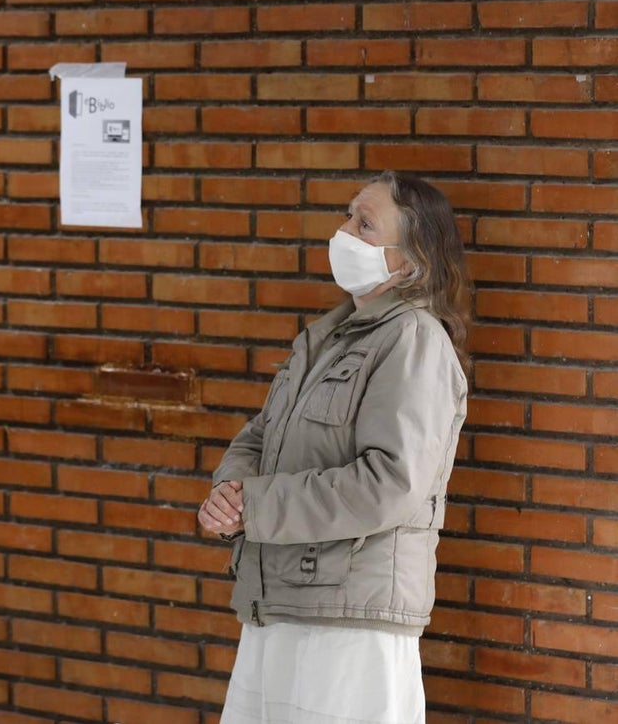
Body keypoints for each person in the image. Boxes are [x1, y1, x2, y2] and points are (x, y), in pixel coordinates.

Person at [198, 170, 472, 724]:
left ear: (411, 261)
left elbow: (389, 484)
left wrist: (256, 506)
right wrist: (231, 495)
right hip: (281, 605)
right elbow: (260, 435)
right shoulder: (326, 339)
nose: (344, 232)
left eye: (364, 224)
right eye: (348, 216)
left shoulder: (414, 340)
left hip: (350, 626)